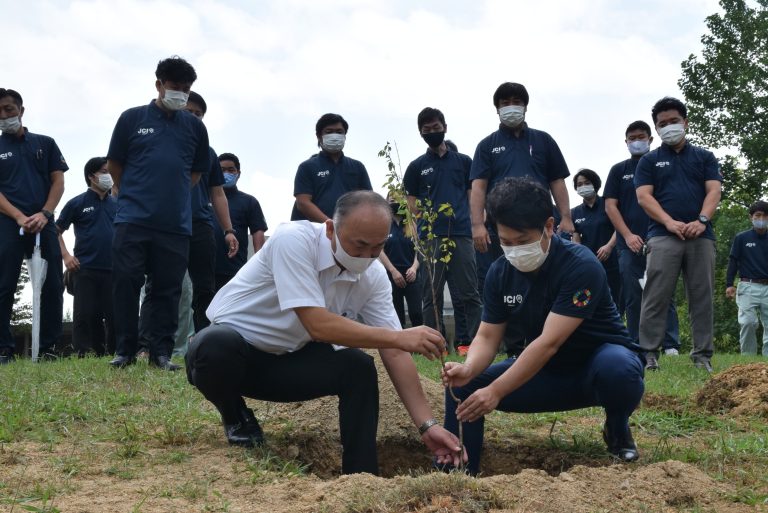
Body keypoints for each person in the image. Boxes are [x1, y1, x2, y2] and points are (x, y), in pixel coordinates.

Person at [186, 191, 465, 475]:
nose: (367, 257)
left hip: (288, 363)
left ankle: (361, 474)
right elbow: (317, 324)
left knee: (358, 368)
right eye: (359, 245)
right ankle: (235, 415)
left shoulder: (373, 276)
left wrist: (427, 426)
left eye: (377, 247)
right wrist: (399, 335)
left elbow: (394, 352)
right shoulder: (293, 240)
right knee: (213, 345)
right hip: (236, 359)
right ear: (330, 228)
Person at [441, 177, 645, 475]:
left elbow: (549, 341)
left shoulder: (580, 264)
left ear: (549, 226)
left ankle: (616, 428)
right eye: (506, 242)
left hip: (594, 369)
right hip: (543, 372)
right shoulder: (500, 273)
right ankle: (457, 469)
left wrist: (496, 390)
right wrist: (469, 368)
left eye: (522, 241)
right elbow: (487, 334)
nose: (514, 250)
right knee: (462, 385)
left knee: (620, 369)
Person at [106, 56, 210, 370]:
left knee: (167, 289)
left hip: (176, 225)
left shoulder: (194, 127)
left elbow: (195, 174)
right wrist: (136, 195)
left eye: (186, 89)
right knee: (126, 282)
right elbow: (115, 165)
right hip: (132, 219)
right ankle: (124, 350)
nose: (180, 93)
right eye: (175, 87)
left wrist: (171, 198)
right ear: (159, 85)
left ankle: (160, 353)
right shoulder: (131, 119)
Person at [635, 97, 722, 372]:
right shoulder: (649, 160)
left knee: (702, 296)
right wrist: (669, 222)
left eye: (674, 121)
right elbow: (643, 197)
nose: (669, 127)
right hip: (662, 236)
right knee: (655, 295)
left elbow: (714, 191)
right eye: (662, 124)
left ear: (685, 122)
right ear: (656, 129)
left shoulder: (704, 157)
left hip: (701, 235)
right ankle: (648, 354)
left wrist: (702, 220)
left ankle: (702, 356)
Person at [403, 108, 482, 354]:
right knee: (432, 295)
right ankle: (435, 346)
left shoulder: (464, 162)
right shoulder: (416, 167)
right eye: (426, 131)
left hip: (461, 234)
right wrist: (424, 224)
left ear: (445, 127)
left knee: (469, 291)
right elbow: (411, 203)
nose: (432, 133)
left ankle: (475, 344)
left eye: (435, 128)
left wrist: (475, 223)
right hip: (431, 237)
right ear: (420, 133)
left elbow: (473, 197)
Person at [0, 88, 67, 364]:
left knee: (52, 285)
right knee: (4, 284)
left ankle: (49, 347)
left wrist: (45, 213)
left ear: (21, 111)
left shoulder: (45, 143)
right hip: (7, 223)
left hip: (44, 222)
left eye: (8, 109)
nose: (4, 116)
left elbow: (58, 182)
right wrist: (17, 216)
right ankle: (4, 348)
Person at [604, 121, 681, 357]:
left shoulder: (663, 165)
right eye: (632, 137)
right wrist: (626, 236)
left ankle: (670, 344)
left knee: (663, 291)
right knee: (632, 295)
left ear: (651, 139)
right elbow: (610, 206)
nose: (636, 141)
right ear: (626, 142)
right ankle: (636, 342)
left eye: (641, 136)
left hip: (661, 238)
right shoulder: (619, 170)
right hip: (629, 244)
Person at [56, 157, 116, 356]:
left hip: (113, 269)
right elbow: (55, 231)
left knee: (113, 315)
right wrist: (66, 256)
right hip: (85, 268)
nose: (109, 176)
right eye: (104, 171)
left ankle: (114, 353)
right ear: (92, 176)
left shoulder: (117, 204)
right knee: (85, 314)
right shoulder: (76, 203)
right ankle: (84, 352)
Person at [290, 113, 372, 222]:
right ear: (319, 136)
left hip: (348, 232)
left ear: (345, 136)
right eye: (329, 132)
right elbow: (303, 203)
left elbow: (368, 201)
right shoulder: (307, 167)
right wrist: (330, 225)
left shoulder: (357, 167)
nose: (334, 136)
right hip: (312, 231)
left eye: (339, 132)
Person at [214, 152, 268, 291]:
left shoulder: (249, 202)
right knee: (202, 310)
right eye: (221, 170)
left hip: (235, 271)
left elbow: (258, 232)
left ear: (238, 173)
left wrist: (259, 264)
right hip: (204, 269)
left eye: (231, 170)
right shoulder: (204, 198)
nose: (226, 173)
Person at [571, 168, 621, 309]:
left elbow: (620, 227)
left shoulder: (609, 204)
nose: (583, 186)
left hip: (613, 261)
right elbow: (576, 240)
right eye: (579, 184)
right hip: (591, 264)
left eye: (586, 182)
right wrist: (582, 258)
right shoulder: (574, 212)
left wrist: (609, 246)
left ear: (595, 183)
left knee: (616, 301)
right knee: (593, 301)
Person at [726, 200, 768, 356]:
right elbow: (733, 261)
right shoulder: (742, 238)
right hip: (747, 285)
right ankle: (748, 359)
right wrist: (729, 284)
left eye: (765, 215)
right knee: (748, 322)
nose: (761, 218)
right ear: (751, 217)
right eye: (758, 215)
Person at [379, 199, 422, 329]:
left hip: (411, 275)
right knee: (396, 314)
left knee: (416, 312)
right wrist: (393, 271)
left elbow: (420, 249)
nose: (394, 201)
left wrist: (414, 268)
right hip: (392, 275)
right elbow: (380, 250)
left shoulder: (412, 224)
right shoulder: (384, 224)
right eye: (391, 198)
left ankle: (419, 346)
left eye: (397, 198)